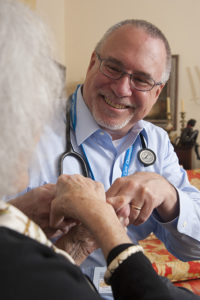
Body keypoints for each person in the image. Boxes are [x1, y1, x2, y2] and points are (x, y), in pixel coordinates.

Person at [1, 1, 198, 299]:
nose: (121, 88)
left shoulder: (156, 141)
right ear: (93, 62)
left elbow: (192, 248)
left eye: (141, 80)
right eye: (113, 67)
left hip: (128, 289)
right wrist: (26, 212)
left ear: (157, 91)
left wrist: (169, 195)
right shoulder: (28, 123)